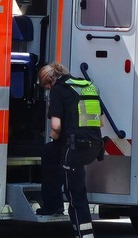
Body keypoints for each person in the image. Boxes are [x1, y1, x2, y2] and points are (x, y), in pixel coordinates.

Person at [37, 62, 105, 238]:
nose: (47, 89)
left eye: (46, 85)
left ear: (51, 79)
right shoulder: (88, 86)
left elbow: (56, 126)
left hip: (75, 148)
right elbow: (101, 122)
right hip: (94, 145)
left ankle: (85, 234)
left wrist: (54, 134)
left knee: (75, 192)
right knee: (50, 152)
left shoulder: (58, 89)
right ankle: (53, 205)